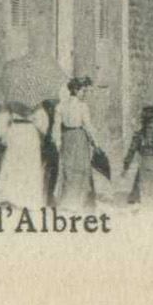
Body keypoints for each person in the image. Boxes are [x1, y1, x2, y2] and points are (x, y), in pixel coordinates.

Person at [0, 98, 48, 210]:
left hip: (15, 132)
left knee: (13, 163)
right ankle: (28, 199)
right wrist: (38, 124)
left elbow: (2, 119)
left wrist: (0, 133)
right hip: (30, 133)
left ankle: (10, 196)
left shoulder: (12, 101)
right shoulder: (36, 103)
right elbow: (42, 123)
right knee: (30, 165)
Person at [54, 76, 98, 208]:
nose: (84, 94)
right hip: (79, 138)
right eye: (83, 91)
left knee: (68, 169)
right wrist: (95, 143)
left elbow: (55, 128)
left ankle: (66, 202)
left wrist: (58, 143)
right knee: (80, 169)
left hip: (66, 137)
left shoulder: (60, 106)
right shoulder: (82, 106)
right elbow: (88, 126)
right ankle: (78, 202)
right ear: (75, 90)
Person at [124, 103, 153, 206]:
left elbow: (132, 149)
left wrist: (126, 164)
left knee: (144, 187)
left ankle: (141, 207)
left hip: (143, 161)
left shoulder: (139, 132)